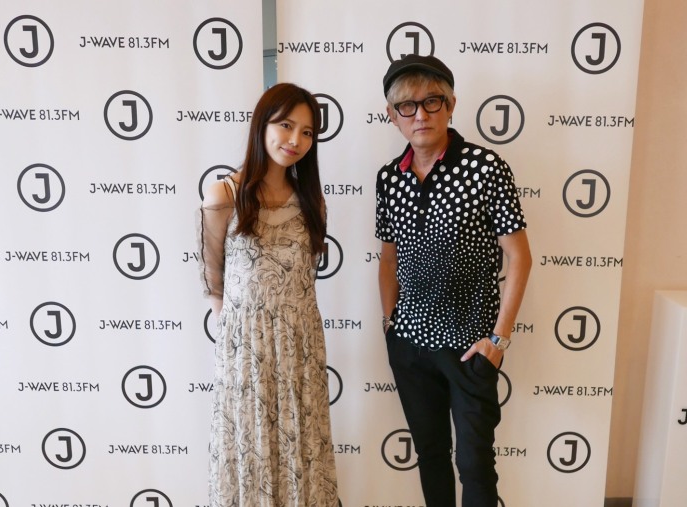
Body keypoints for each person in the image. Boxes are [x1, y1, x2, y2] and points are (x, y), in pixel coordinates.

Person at [376, 55, 532, 507]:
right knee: (431, 455)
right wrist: (391, 324)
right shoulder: (389, 178)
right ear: (393, 115)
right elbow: (388, 259)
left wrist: (498, 341)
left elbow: (520, 258)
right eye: (407, 106)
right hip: (409, 344)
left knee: (475, 465)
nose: (420, 115)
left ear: (451, 105)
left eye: (432, 101)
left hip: (470, 347)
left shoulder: (486, 168)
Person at [198, 83, 338, 507]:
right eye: (286, 125)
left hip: (300, 348)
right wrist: (237, 341)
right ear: (262, 125)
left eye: (307, 132)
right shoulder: (224, 194)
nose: (295, 140)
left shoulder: (311, 200)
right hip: (246, 352)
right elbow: (213, 280)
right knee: (249, 451)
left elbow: (304, 281)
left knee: (302, 451)